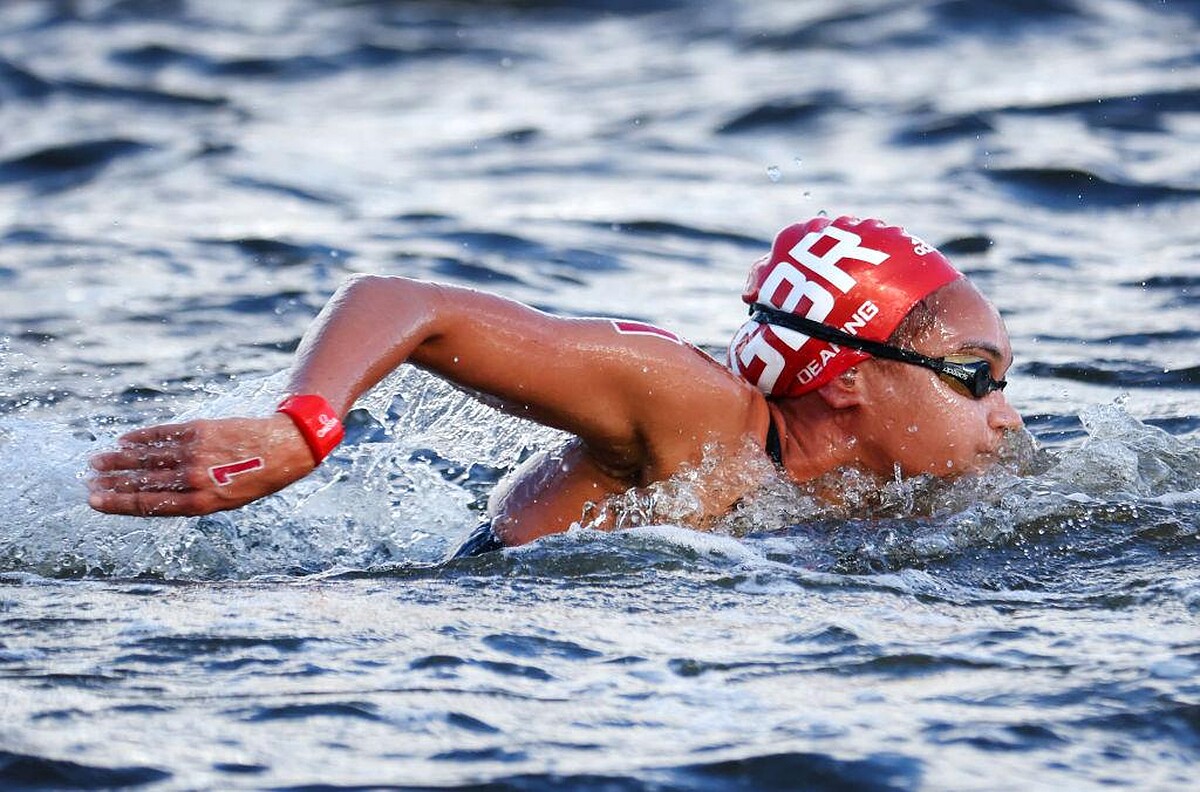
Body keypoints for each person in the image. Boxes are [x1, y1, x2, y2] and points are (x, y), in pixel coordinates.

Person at [88, 215, 1023, 556]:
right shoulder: (691, 409)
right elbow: (405, 302)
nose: (1003, 417)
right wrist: (301, 427)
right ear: (847, 378)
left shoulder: (880, 495)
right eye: (975, 379)